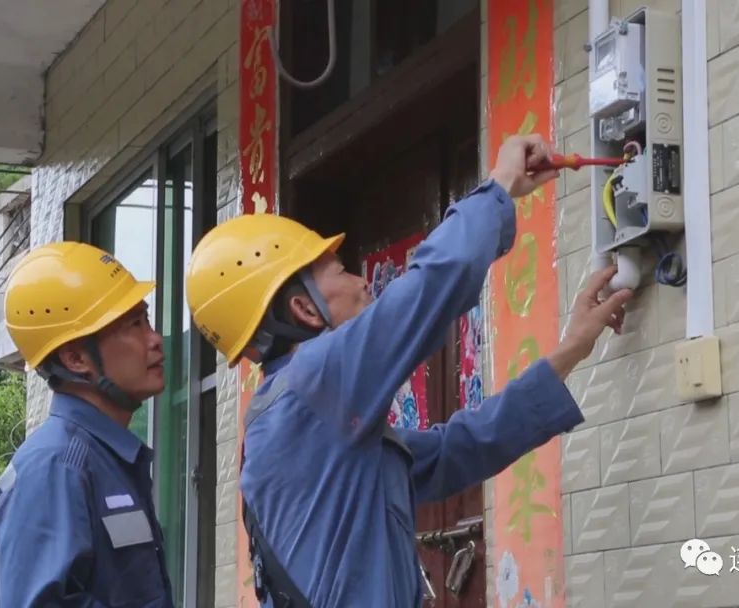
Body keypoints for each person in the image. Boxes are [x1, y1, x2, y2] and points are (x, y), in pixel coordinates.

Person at [185, 133, 633, 607]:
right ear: (304, 309)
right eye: (339, 272)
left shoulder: (308, 421)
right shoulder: (311, 383)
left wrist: (572, 348)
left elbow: (456, 450)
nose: (362, 281)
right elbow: (436, 283)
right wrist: (501, 184)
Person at [0, 241, 174, 607]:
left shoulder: (106, 459)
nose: (154, 339)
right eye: (134, 325)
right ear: (75, 358)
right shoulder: (56, 467)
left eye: (146, 319)